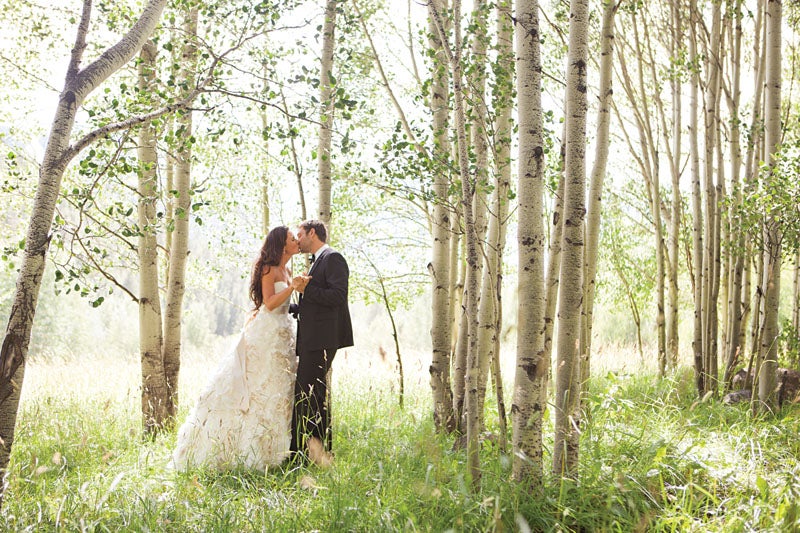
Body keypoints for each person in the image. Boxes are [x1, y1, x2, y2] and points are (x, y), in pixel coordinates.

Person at [171, 226, 308, 471]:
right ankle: (236, 448)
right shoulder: (268, 269)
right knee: (256, 384)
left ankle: (275, 450)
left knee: (278, 389)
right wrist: (292, 288)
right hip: (266, 332)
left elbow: (285, 304)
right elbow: (268, 302)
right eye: (291, 238)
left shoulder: (287, 269)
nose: (297, 240)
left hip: (283, 333)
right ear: (281, 244)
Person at [289, 219, 353, 467]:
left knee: (307, 396)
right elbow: (314, 303)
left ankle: (301, 454)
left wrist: (306, 290)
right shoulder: (319, 260)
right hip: (313, 338)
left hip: (323, 340)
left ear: (312, 233)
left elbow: (338, 296)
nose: (298, 240)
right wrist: (287, 306)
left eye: (300, 235)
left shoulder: (333, 258)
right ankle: (317, 454)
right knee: (314, 396)